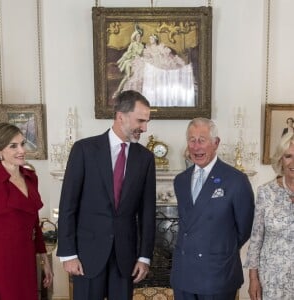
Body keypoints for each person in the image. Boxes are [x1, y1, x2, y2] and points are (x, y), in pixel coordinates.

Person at [56, 90, 156, 300]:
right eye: (140, 120)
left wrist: (144, 257)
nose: (145, 128)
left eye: (147, 121)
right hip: (86, 256)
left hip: (125, 258)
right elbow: (68, 204)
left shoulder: (145, 158)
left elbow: (148, 212)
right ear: (121, 116)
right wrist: (68, 253)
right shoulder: (84, 150)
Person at [170, 117, 255, 300]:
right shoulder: (181, 180)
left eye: (202, 140)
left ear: (216, 143)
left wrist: (217, 249)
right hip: (184, 274)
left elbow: (245, 228)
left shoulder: (236, 180)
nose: (196, 146)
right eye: (192, 140)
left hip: (218, 274)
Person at [0, 122, 53, 300]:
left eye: (22, 143)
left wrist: (44, 260)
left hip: (26, 256)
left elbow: (34, 221)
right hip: (1, 260)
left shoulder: (30, 177)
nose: (22, 150)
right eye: (13, 146)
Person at [244, 133, 294, 300]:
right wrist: (253, 279)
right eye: (288, 156)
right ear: (281, 160)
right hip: (272, 280)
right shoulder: (266, 192)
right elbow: (256, 239)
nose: (293, 162)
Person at [113, 27, 145, 98]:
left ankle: (137, 93)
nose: (138, 38)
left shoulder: (142, 45)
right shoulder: (132, 44)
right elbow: (128, 53)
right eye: (137, 36)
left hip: (138, 61)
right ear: (135, 37)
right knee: (128, 76)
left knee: (139, 75)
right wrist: (130, 55)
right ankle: (118, 91)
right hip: (130, 61)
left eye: (139, 36)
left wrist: (140, 56)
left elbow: (141, 54)